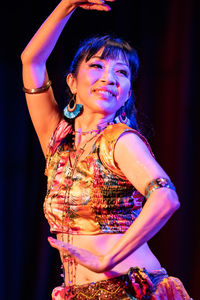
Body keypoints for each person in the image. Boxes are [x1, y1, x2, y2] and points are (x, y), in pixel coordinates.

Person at [21, 0, 191, 299]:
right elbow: (32, 61)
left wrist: (106, 260)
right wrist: (67, 5)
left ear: (126, 94)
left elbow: (166, 197)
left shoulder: (121, 140)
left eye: (121, 73)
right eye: (97, 66)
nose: (109, 78)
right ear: (72, 82)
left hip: (128, 289)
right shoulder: (59, 140)